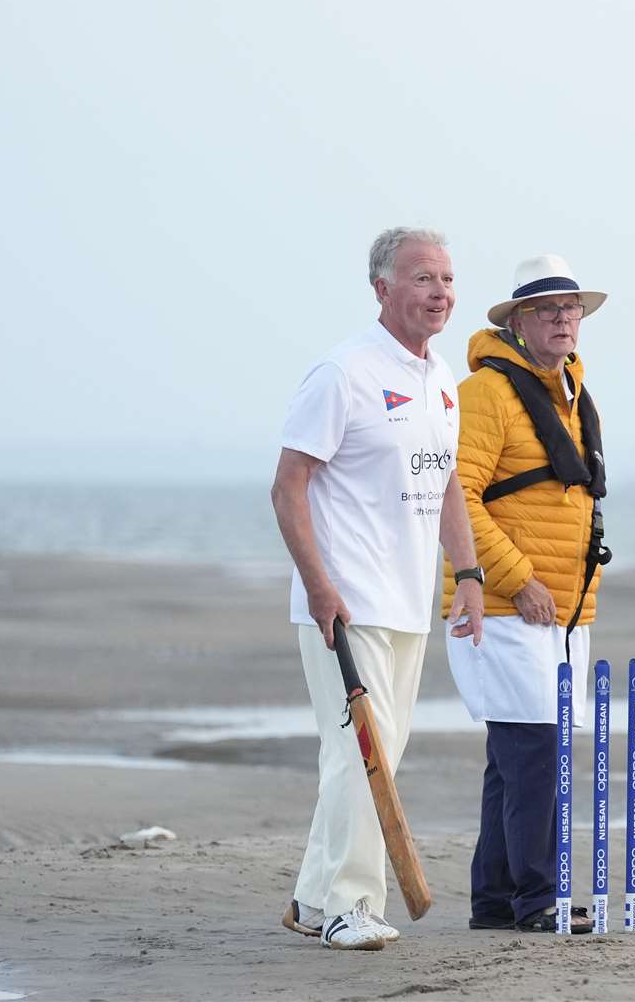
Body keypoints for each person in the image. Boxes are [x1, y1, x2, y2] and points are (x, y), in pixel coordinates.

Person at [271, 227, 486, 951]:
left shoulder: (441, 378)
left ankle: (308, 898)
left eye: (448, 279)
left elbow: (448, 481)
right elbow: (288, 485)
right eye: (422, 278)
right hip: (345, 602)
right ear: (382, 289)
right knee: (364, 755)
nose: (440, 292)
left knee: (369, 756)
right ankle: (349, 905)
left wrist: (469, 575)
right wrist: (320, 587)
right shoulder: (344, 372)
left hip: (407, 604)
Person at [442, 253, 610, 934]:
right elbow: (455, 498)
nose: (564, 319)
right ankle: (537, 899)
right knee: (535, 754)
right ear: (517, 321)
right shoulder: (486, 393)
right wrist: (517, 577)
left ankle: (497, 900)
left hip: (565, 610)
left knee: (514, 760)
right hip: (509, 605)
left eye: (571, 309)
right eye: (548, 310)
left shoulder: (567, 391)